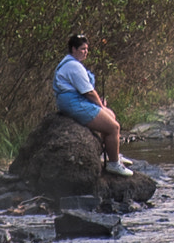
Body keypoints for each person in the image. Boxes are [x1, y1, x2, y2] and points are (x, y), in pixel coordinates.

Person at [53, 33, 132, 177]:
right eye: (82, 49)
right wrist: (100, 105)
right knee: (114, 127)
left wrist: (102, 107)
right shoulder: (73, 66)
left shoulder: (70, 63)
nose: (86, 52)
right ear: (73, 49)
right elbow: (88, 92)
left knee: (111, 115)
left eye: (87, 49)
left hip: (76, 101)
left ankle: (113, 154)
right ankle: (114, 164)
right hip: (73, 104)